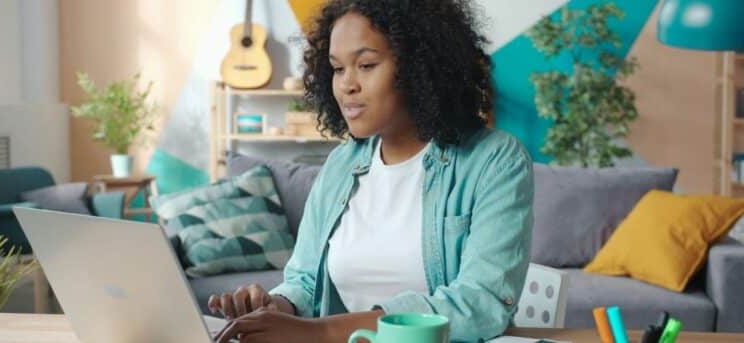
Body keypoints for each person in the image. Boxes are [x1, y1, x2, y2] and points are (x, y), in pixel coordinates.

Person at [210, 0, 534, 342]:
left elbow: (481, 303)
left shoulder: (495, 160)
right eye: (337, 68)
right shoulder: (340, 164)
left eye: (366, 65)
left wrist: (319, 332)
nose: (347, 84)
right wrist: (275, 307)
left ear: (420, 67)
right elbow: (305, 279)